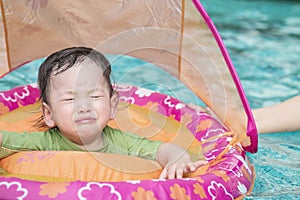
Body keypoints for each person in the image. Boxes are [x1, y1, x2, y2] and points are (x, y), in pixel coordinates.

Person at [0, 47, 207, 179]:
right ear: (49, 114)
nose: (83, 107)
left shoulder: (122, 143)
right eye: (69, 99)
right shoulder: (43, 143)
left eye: (95, 96)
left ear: (113, 105)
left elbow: (165, 149)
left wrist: (176, 159)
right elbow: (5, 141)